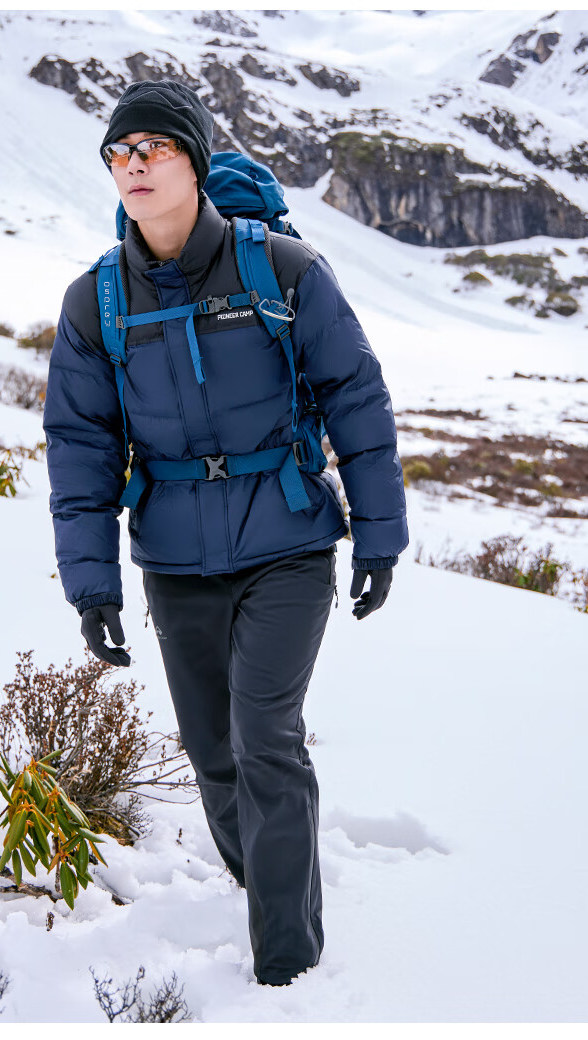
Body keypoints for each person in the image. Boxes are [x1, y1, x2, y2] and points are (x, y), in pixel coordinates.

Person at [42, 79, 408, 987]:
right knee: (213, 758)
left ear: (195, 162)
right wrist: (91, 587)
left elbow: (356, 399)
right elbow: (81, 450)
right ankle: (269, 886)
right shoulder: (96, 302)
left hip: (287, 544)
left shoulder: (282, 269)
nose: (133, 164)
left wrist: (379, 535)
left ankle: (286, 965)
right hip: (175, 560)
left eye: (154, 148)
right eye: (119, 152)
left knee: (264, 738)